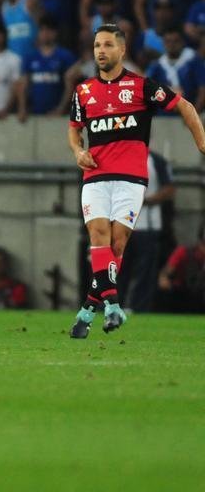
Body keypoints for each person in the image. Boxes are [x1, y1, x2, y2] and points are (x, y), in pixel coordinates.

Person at [68, 23, 205, 338]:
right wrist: (78, 151)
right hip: (96, 175)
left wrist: (201, 142)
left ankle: (88, 308)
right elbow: (74, 128)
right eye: (97, 46)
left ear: (121, 50)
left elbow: (184, 106)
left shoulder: (142, 87)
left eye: (107, 45)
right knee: (98, 234)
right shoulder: (83, 91)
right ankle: (113, 305)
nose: (101, 51)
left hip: (131, 177)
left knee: (117, 244)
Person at [122, 152, 174, 313]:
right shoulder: (121, 156)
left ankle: (139, 308)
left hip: (147, 226)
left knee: (145, 271)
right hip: (122, 225)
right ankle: (114, 306)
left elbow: (169, 188)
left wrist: (148, 200)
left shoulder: (156, 161)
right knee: (118, 269)